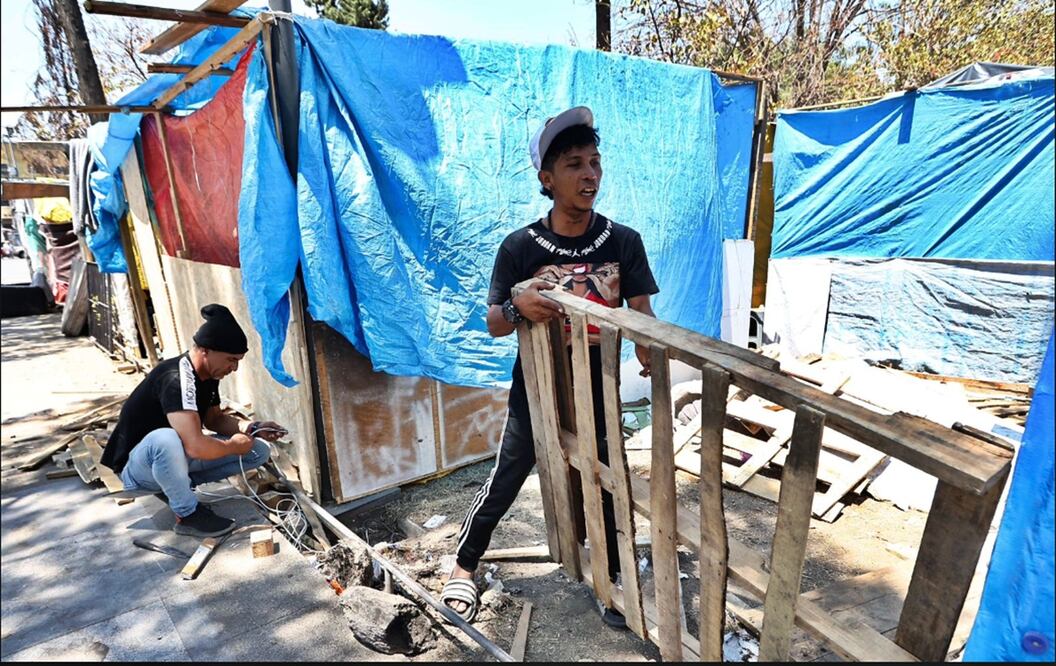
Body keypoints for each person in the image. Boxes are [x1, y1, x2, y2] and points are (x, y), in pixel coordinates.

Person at [440, 107, 658, 628]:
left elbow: (642, 312)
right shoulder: (520, 247)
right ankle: (463, 563)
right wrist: (520, 310)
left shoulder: (621, 241)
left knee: (606, 476)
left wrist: (648, 349)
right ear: (547, 178)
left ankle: (611, 579)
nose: (589, 175)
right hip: (538, 384)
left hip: (599, 382)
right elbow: (495, 321)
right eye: (574, 165)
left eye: (595, 163)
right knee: (510, 471)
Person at [101, 304, 288, 538]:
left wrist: (252, 429)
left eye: (238, 360)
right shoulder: (176, 379)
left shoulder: (209, 376)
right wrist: (232, 446)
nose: (235, 367)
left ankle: (177, 487)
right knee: (165, 439)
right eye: (231, 359)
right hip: (137, 469)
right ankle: (187, 515)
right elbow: (195, 446)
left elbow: (215, 420)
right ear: (206, 351)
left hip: (171, 460)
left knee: (256, 451)